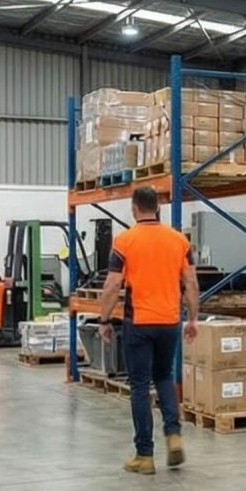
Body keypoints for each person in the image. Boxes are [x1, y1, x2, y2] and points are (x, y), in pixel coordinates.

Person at [97, 185, 200, 475]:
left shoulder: (124, 241)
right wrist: (192, 319)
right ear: (157, 207)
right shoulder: (179, 241)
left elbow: (113, 285)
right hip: (169, 321)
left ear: (134, 208)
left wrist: (104, 320)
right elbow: (191, 284)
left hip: (139, 322)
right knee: (164, 376)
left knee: (141, 386)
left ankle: (145, 455)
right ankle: (174, 434)